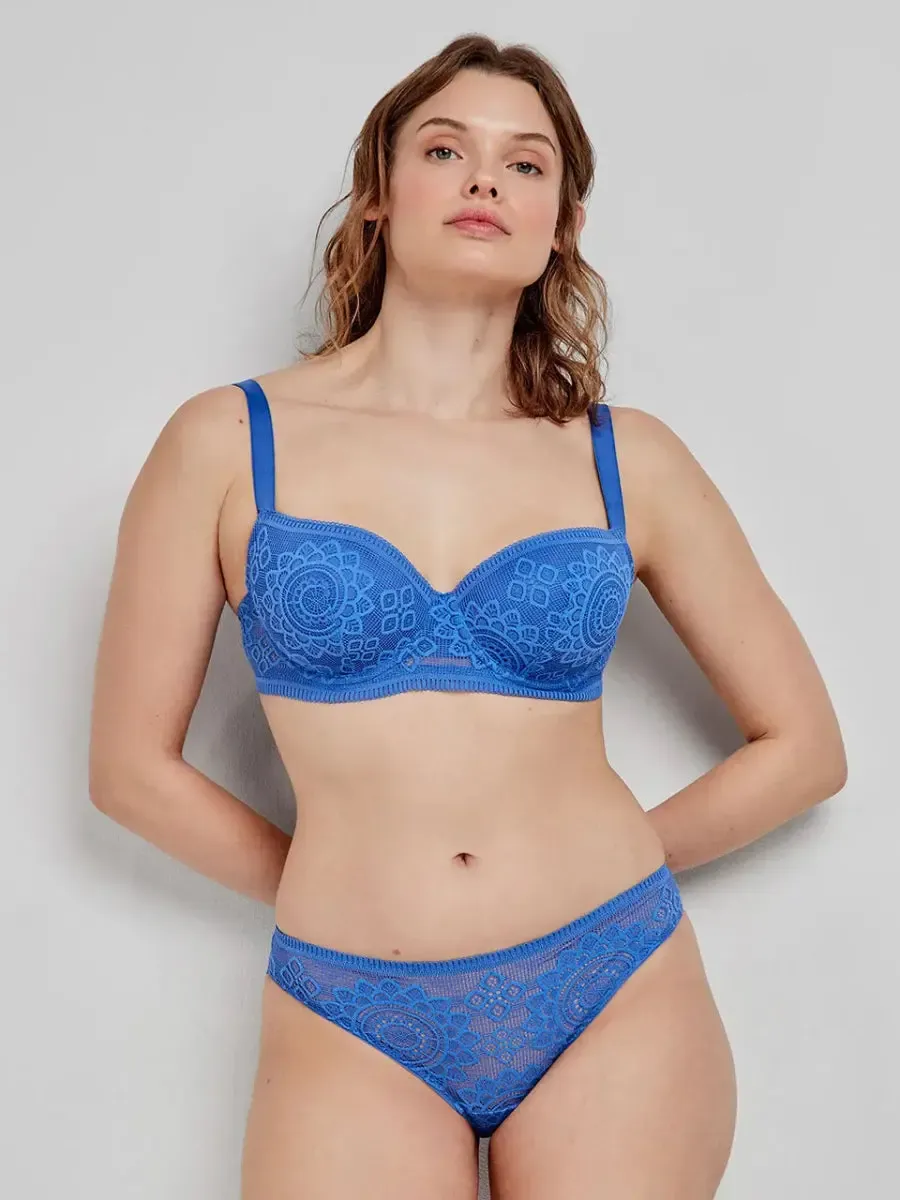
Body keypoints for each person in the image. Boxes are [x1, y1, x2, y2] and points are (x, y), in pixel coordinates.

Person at [88, 33, 847, 1200]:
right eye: (446, 149)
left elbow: (805, 748)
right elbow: (129, 771)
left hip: (612, 981)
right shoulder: (227, 443)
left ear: (563, 226)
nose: (485, 178)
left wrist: (610, 867)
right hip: (349, 1003)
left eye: (525, 163)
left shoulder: (627, 460)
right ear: (380, 192)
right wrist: (335, 883)